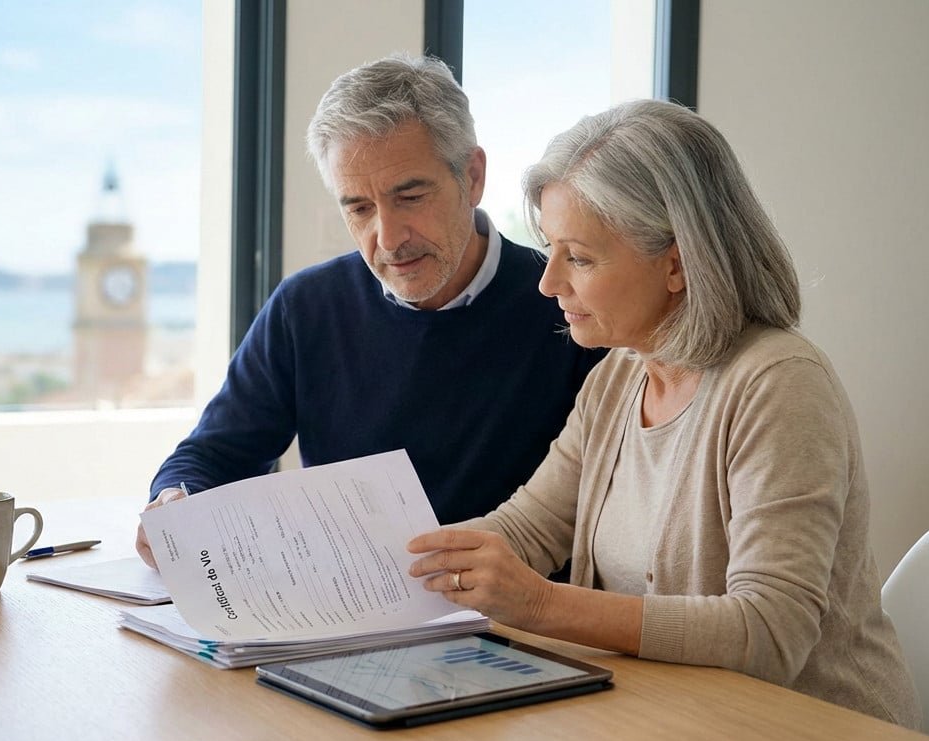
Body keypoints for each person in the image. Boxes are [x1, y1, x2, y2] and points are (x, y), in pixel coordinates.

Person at [406, 99, 922, 727]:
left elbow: (769, 633)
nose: (549, 283)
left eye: (581, 257)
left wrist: (541, 604)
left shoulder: (780, 386)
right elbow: (527, 529)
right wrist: (388, 567)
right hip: (670, 724)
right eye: (551, 250)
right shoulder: (618, 379)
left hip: (809, 736)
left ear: (676, 263)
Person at [135, 54, 604, 567]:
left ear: (472, 177)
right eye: (359, 208)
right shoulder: (305, 308)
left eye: (410, 196)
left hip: (518, 619)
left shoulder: (570, 304)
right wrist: (176, 501)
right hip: (349, 614)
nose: (388, 237)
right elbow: (214, 454)